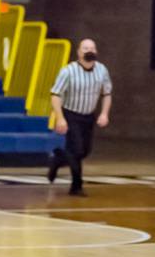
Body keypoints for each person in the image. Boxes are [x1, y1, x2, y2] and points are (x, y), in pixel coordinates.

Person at [47, 38, 112, 195]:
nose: (89, 51)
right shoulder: (68, 71)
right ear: (78, 52)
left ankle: (59, 158)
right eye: (85, 48)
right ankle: (76, 186)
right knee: (76, 149)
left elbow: (107, 93)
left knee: (85, 151)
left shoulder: (102, 70)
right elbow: (55, 95)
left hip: (88, 116)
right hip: (71, 114)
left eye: (92, 48)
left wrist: (104, 113)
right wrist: (60, 118)